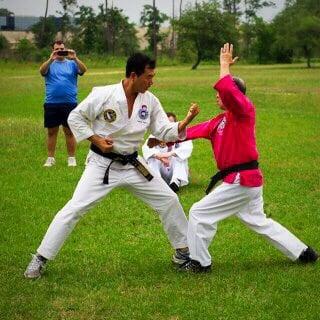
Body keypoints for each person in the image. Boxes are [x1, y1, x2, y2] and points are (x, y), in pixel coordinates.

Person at [24, 53, 200, 279]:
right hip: (101, 165)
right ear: (133, 75)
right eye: (148, 77)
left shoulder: (150, 100)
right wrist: (96, 139)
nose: (152, 81)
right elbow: (75, 117)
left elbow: (163, 130)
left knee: (169, 200)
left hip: (133, 165)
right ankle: (40, 258)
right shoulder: (104, 94)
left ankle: (183, 252)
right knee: (74, 208)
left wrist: (184, 123)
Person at [149, 43, 318, 273]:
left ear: (235, 95)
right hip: (244, 181)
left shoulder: (244, 112)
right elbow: (189, 132)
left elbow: (228, 90)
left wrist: (224, 65)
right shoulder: (219, 120)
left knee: (199, 212)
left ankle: (200, 262)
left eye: (221, 93)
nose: (218, 96)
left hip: (242, 179)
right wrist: (162, 138)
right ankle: (303, 252)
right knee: (259, 221)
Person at [40, 40, 87, 167]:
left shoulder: (72, 64)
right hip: (52, 103)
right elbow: (42, 71)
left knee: (69, 132)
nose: (60, 51)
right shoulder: (50, 64)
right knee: (51, 132)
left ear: (65, 49)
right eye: (57, 49)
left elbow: (83, 70)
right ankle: (50, 158)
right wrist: (51, 59)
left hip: (69, 103)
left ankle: (71, 158)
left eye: (62, 49)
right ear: (53, 50)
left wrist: (75, 58)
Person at [142, 112, 193, 192]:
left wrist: (168, 154)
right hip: (161, 169)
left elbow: (187, 148)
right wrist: (160, 157)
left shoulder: (182, 135)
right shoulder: (155, 135)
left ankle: (175, 182)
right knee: (152, 159)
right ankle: (156, 183)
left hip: (175, 169)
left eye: (171, 123)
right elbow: (146, 149)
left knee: (179, 157)